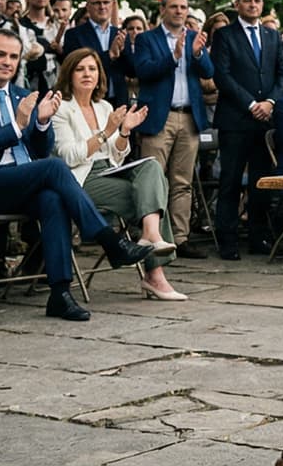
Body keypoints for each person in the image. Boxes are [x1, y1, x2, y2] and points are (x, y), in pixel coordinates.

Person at [0, 28, 153, 321]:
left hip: (22, 181)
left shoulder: (21, 94)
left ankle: (60, 293)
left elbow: (41, 149)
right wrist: (16, 126)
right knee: (55, 168)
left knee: (53, 199)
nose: (7, 62)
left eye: (14, 56)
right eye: (0, 54)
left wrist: (41, 123)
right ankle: (108, 238)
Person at [50, 47, 184, 301]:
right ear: (69, 74)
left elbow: (116, 154)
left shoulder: (103, 106)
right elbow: (69, 156)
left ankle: (150, 236)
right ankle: (155, 273)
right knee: (154, 195)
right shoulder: (61, 108)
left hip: (109, 169)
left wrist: (123, 132)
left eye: (92, 69)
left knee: (153, 167)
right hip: (80, 179)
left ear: (100, 75)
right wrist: (106, 131)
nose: (87, 74)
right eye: (80, 69)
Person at [130, 0, 215, 256]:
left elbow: (209, 73)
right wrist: (174, 56)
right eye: (174, 7)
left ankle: (180, 238)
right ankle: (151, 236)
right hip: (159, 117)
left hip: (188, 116)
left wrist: (198, 55)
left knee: (182, 181)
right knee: (152, 179)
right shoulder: (147, 38)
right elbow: (142, 70)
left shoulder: (192, 38)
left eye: (184, 7)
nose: (180, 11)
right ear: (163, 9)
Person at [210, 0, 283, 259]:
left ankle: (258, 237)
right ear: (237, 4)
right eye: (248, 0)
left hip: (265, 120)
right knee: (230, 182)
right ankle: (227, 240)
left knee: (260, 183)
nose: (253, 5)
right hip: (235, 120)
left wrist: (270, 102)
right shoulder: (225, 35)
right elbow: (222, 76)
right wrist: (252, 103)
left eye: (257, 1)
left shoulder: (273, 36)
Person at [64, 0, 131, 104]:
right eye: (97, 3)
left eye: (106, 2)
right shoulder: (74, 35)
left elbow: (131, 72)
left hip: (118, 102)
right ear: (88, 6)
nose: (102, 7)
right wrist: (109, 55)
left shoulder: (120, 34)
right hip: (88, 102)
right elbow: (73, 68)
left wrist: (124, 53)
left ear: (112, 5)